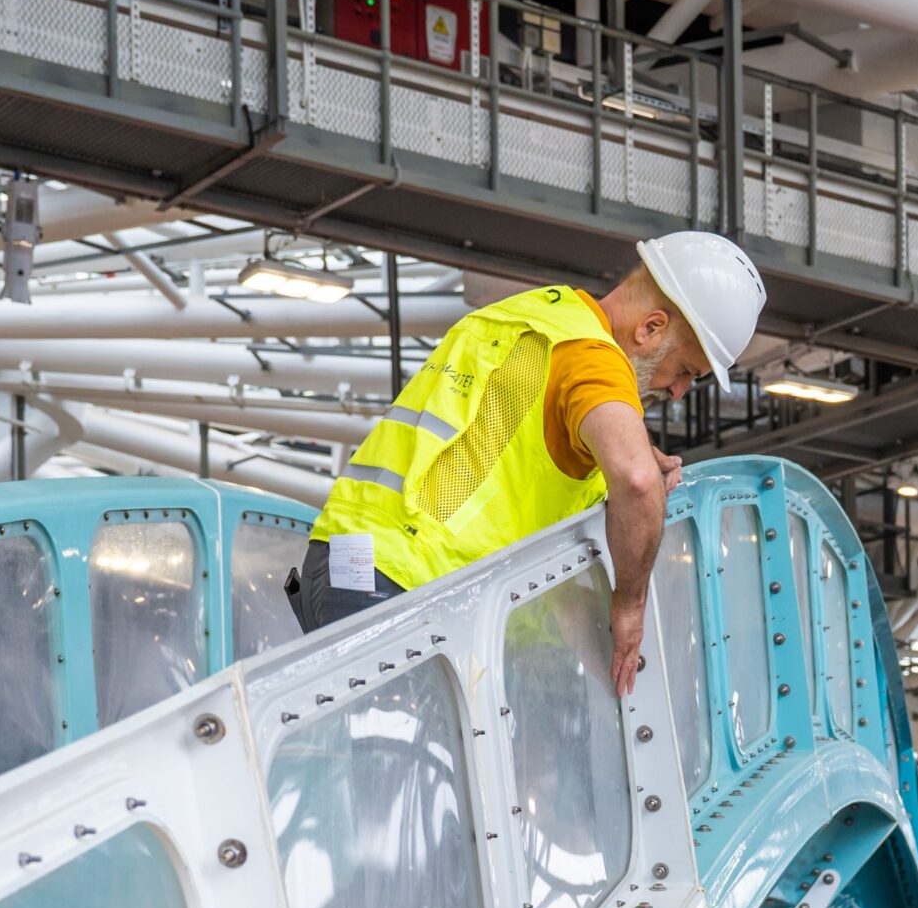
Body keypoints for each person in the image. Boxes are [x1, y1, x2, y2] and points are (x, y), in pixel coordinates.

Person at [288, 231, 765, 695]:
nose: (679, 391)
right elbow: (638, 483)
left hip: (340, 566)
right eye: (685, 370)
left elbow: (494, 448)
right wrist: (630, 605)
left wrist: (611, 459)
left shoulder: (531, 317)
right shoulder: (595, 359)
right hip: (410, 589)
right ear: (651, 327)